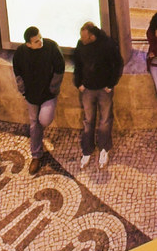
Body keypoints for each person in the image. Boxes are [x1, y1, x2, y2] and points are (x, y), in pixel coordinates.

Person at [12, 25, 65, 172]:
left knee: (43, 120)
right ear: (28, 44)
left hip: (48, 94)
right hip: (32, 96)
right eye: (36, 41)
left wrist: (53, 88)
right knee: (34, 124)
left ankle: (38, 140)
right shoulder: (21, 53)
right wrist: (22, 88)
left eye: (40, 38)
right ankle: (36, 155)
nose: (40, 42)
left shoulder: (51, 47)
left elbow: (60, 67)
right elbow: (17, 71)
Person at [73, 20, 122, 170]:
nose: (81, 40)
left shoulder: (107, 45)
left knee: (105, 120)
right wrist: (79, 83)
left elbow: (118, 63)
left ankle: (104, 149)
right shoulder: (81, 45)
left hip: (103, 89)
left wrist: (111, 84)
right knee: (88, 120)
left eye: (84, 37)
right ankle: (87, 150)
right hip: (87, 89)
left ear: (92, 36)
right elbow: (78, 64)